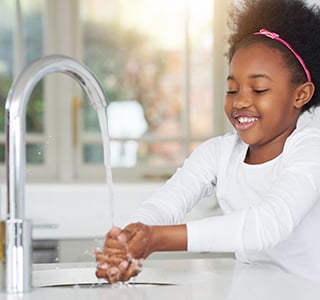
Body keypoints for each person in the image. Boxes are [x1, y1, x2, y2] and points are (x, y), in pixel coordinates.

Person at [95, 0, 320, 283]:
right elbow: (167, 204)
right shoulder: (219, 153)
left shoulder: (311, 150)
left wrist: (155, 239)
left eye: (259, 89)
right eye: (232, 89)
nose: (240, 101)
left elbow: (265, 225)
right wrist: (129, 239)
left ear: (301, 95)